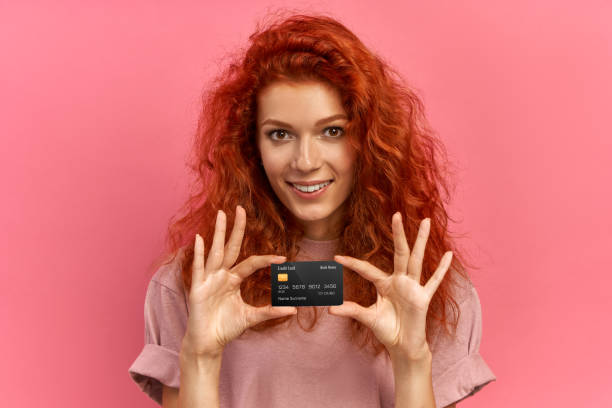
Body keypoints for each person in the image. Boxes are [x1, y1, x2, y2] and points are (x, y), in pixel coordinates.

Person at [128, 11, 496, 408]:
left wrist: (412, 361)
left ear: (369, 141)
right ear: (252, 146)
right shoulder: (194, 284)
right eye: (280, 134)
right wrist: (199, 358)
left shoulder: (429, 287)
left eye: (332, 131)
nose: (305, 161)